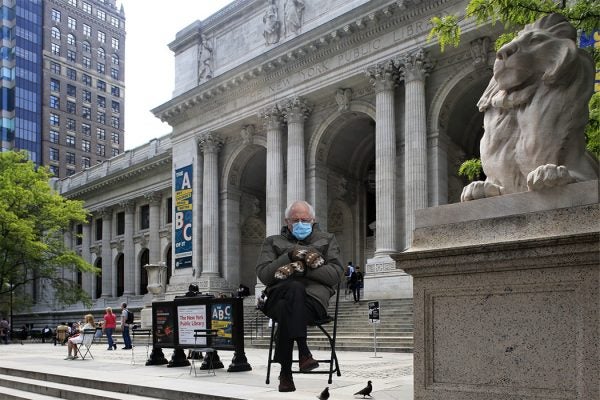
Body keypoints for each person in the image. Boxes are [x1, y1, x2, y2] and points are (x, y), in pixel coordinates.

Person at [256, 200, 344, 392]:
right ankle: (303, 352)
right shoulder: (272, 241)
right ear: (287, 221)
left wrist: (302, 270)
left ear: (313, 220)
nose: (300, 223)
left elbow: (335, 274)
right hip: (277, 295)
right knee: (293, 290)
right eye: (295, 220)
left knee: (291, 295)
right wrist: (289, 256)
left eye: (305, 219)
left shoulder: (327, 239)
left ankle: (285, 373)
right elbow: (264, 275)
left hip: (312, 303)